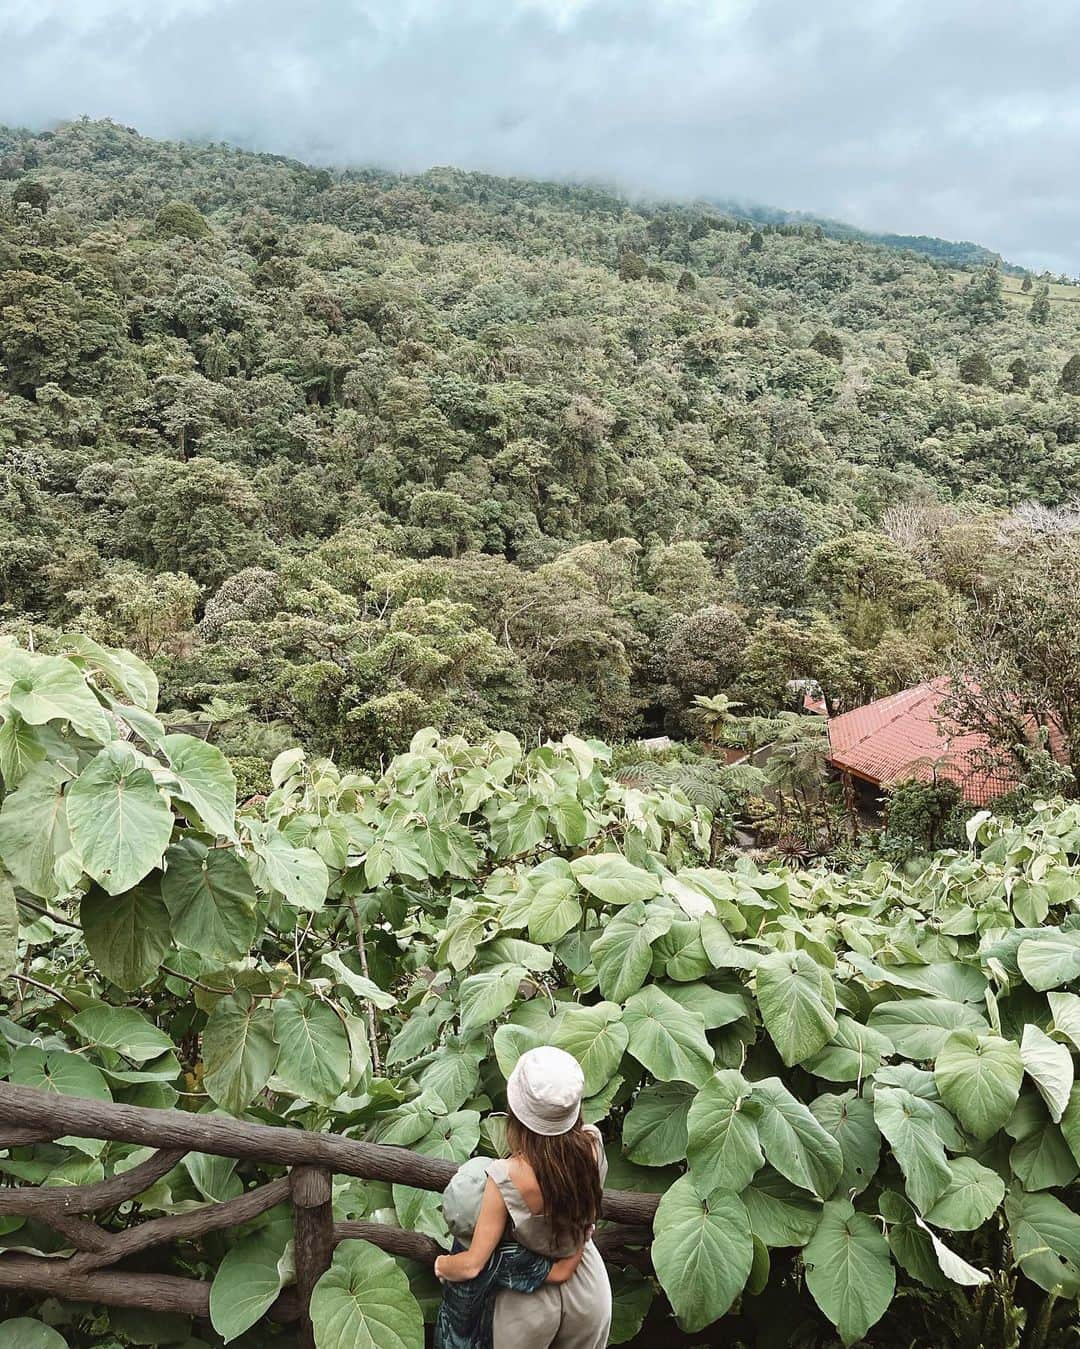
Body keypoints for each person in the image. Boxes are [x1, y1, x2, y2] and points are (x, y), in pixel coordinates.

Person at [434, 1045, 612, 1349]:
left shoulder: (507, 1174)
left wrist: (441, 1264)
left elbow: (473, 1265)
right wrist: (566, 1264)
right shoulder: (592, 1145)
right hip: (588, 1288)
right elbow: (586, 1222)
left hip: (528, 1301)